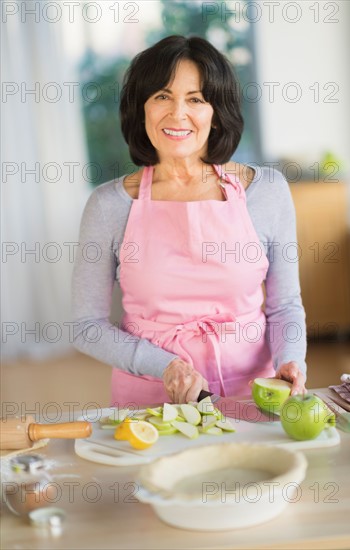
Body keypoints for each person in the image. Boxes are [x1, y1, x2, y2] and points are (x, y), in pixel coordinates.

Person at [72, 35, 307, 407]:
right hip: (150, 402)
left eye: (196, 99)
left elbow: (285, 306)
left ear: (216, 112)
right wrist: (165, 366)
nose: (177, 113)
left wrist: (291, 360)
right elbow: (87, 327)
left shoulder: (268, 192)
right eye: (162, 96)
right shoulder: (108, 206)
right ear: (142, 108)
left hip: (254, 395)